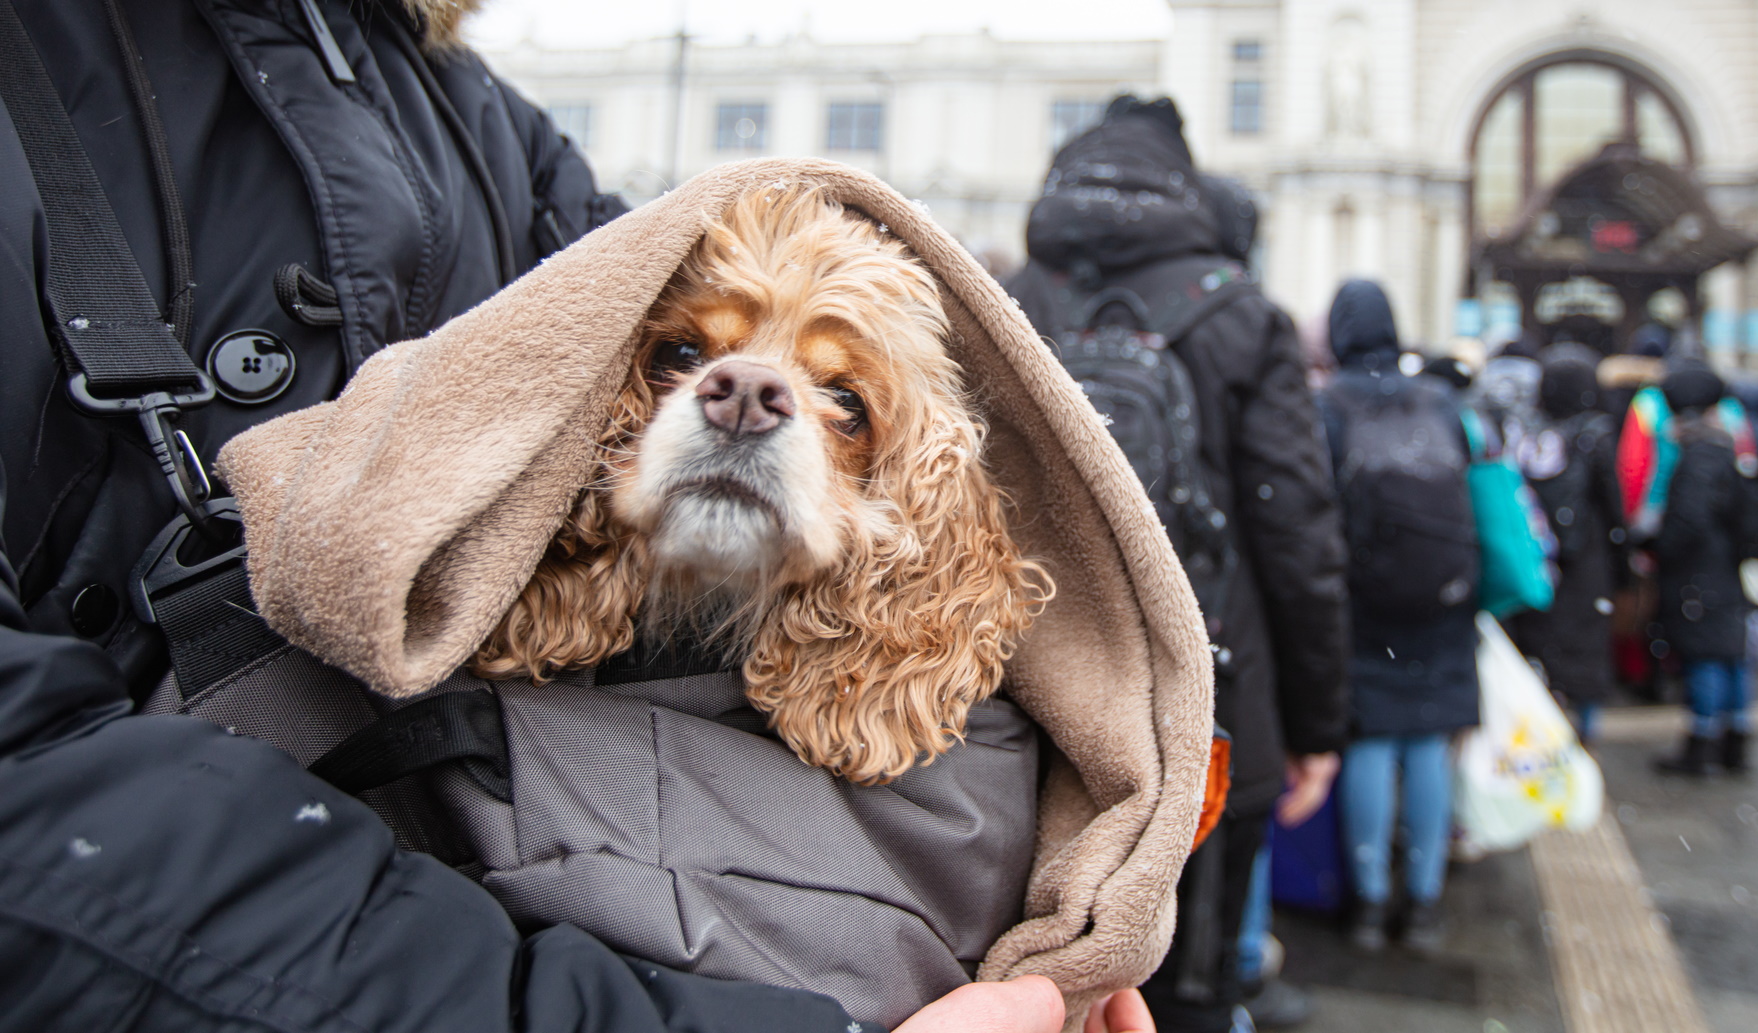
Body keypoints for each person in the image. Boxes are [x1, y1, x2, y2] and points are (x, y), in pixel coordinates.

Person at [0, 4, 1143, 1030]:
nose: (743, 392)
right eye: (686, 357)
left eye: (840, 397)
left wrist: (1052, 945)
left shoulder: (490, 128)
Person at [1007, 95, 1349, 1033]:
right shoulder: (1241, 317)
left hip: (1030, 689)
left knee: (1031, 955)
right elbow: (1297, 535)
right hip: (1209, 696)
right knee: (1190, 972)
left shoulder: (1007, 301)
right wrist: (1317, 721)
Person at [1316, 280, 1480, 957]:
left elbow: (1315, 507)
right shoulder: (1441, 399)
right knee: (1428, 741)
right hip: (1443, 597)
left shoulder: (1328, 404)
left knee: (1372, 742)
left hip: (1365, 599)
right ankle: (1424, 902)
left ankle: (1368, 900)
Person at [1505, 344, 1628, 743]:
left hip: (1539, 558)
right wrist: (1622, 564)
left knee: (1541, 656)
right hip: (1588, 563)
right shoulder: (1596, 434)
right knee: (1587, 660)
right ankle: (1583, 743)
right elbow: (1613, 506)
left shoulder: (1527, 431)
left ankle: (1543, 741)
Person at [1652, 363, 1755, 776]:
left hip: (1698, 574)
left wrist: (1662, 548)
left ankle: (1702, 745)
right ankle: (1735, 740)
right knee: (1731, 654)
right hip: (1724, 568)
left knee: (1705, 655)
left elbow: (1688, 519)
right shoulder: (1727, 448)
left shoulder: (1698, 455)